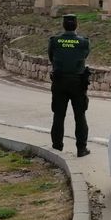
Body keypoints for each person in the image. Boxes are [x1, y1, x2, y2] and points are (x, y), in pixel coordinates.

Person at [48, 14, 91, 157]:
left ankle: (57, 147)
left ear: (63, 25)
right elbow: (84, 56)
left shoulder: (54, 41)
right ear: (76, 25)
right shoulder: (84, 42)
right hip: (77, 83)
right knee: (80, 116)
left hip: (59, 82)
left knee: (58, 115)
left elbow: (51, 57)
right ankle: (81, 148)